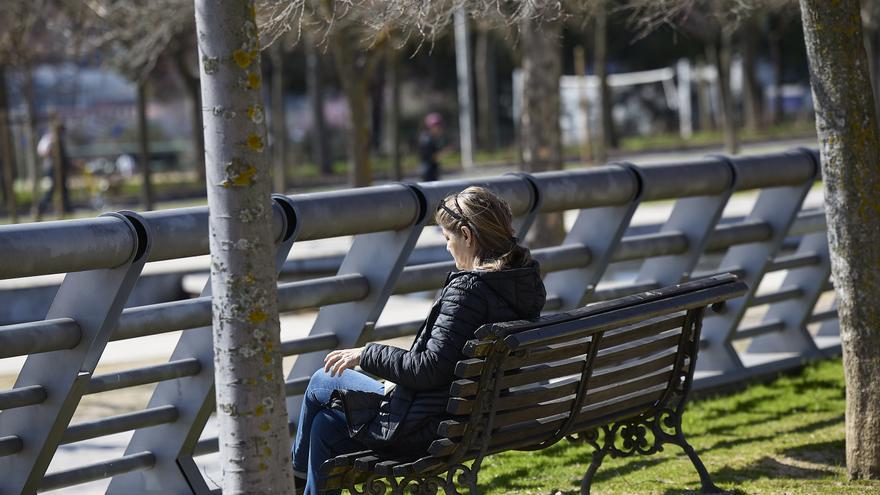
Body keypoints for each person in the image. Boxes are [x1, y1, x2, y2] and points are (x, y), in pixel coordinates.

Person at [291, 186, 547, 494]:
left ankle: (289, 479)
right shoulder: (523, 280)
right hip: (477, 417)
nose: (447, 248)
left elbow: (427, 369)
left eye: (447, 238)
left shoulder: (470, 292)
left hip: (434, 429)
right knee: (326, 411)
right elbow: (445, 362)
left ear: (466, 235)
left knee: (323, 390)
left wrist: (366, 354)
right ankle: (292, 480)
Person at [418, 112, 446, 182]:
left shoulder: (431, 138)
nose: (439, 129)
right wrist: (445, 152)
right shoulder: (427, 140)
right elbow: (431, 157)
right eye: (437, 126)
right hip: (428, 172)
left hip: (431, 171)